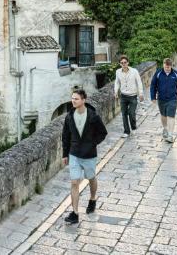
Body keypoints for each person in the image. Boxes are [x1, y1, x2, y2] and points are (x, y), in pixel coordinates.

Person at [61, 89, 108, 224]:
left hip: (89, 155)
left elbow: (103, 133)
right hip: (74, 153)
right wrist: (65, 153)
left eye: (76, 99)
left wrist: (92, 143)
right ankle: (75, 213)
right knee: (74, 182)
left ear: (83, 100)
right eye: (72, 98)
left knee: (91, 178)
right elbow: (65, 136)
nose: (73, 101)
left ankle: (92, 199)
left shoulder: (93, 116)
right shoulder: (69, 117)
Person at [149, 58, 177, 143]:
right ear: (163, 65)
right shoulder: (158, 73)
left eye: (169, 67)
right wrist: (153, 97)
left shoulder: (176, 75)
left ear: (171, 66)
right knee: (163, 116)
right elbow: (153, 85)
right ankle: (165, 128)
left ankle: (170, 135)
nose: (167, 69)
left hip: (172, 99)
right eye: (166, 67)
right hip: (161, 99)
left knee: (171, 116)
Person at [113, 55, 144, 137]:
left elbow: (139, 82)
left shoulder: (134, 71)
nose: (123, 64)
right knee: (124, 114)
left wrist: (140, 94)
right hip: (123, 96)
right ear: (120, 64)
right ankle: (126, 131)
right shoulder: (118, 72)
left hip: (133, 96)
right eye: (122, 63)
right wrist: (116, 91)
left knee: (131, 113)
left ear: (128, 63)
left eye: (125, 62)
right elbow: (117, 82)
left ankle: (133, 128)